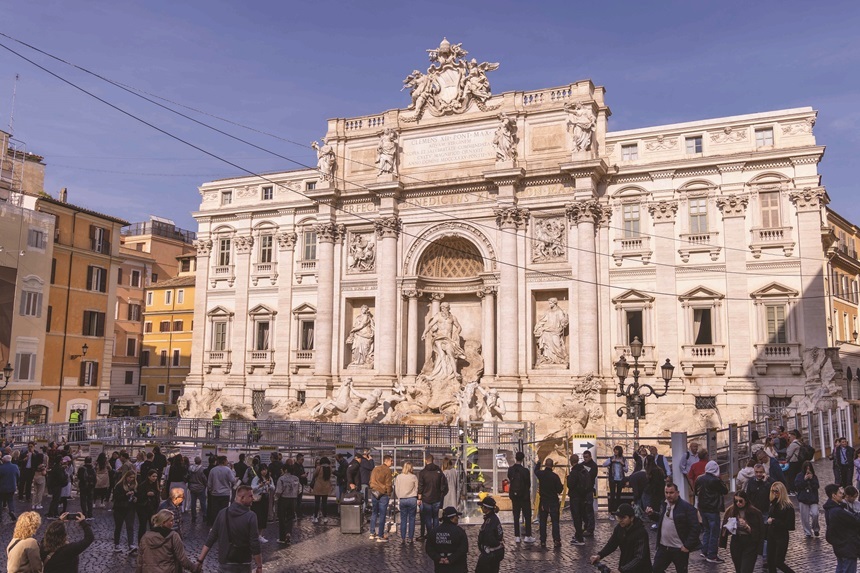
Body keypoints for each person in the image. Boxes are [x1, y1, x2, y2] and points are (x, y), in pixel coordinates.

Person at [198, 485, 263, 573]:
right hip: (243, 562)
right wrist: (259, 565)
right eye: (250, 496)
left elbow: (212, 537)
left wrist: (200, 560)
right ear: (242, 498)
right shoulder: (251, 516)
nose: (253, 498)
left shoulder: (222, 513)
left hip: (225, 561)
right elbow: (255, 542)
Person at [647, 482, 701, 573]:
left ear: (677, 493)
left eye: (671, 493)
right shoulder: (664, 504)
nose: (668, 495)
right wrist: (652, 515)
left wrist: (687, 545)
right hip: (664, 547)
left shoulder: (686, 507)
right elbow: (662, 518)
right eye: (666, 492)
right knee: (656, 569)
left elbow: (695, 527)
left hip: (679, 549)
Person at [590, 503, 652, 573]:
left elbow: (639, 558)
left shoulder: (641, 533)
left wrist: (622, 570)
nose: (620, 520)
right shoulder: (619, 528)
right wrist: (599, 555)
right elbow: (612, 544)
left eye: (623, 517)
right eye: (618, 517)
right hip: (625, 567)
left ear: (631, 518)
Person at [136, 509, 198, 573]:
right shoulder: (173, 536)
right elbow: (182, 559)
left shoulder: (145, 537)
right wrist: (194, 568)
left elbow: (140, 560)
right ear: (163, 522)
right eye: (171, 521)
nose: (173, 523)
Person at [720, 491, 764, 573]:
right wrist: (729, 528)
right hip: (736, 542)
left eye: (741, 501)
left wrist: (747, 527)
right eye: (736, 501)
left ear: (746, 500)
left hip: (750, 543)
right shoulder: (731, 510)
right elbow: (724, 528)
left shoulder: (755, 512)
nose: (738, 503)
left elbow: (760, 531)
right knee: (738, 569)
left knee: (746, 569)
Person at [694, 459, 728, 564]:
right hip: (713, 509)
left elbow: (695, 491)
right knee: (714, 532)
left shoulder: (699, 478)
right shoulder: (715, 480)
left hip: (702, 508)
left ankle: (705, 550)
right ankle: (712, 555)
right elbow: (725, 490)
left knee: (707, 530)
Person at [823, 483, 860, 573]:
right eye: (840, 493)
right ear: (834, 495)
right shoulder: (837, 511)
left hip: (840, 545)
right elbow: (855, 521)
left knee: (840, 568)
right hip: (847, 546)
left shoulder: (831, 509)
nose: (842, 495)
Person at [746, 463, 775, 566]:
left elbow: (774, 493)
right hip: (753, 513)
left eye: (760, 472)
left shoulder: (769, 482)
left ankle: (765, 557)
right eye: (757, 472)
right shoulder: (751, 482)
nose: (758, 474)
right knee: (753, 534)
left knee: (765, 535)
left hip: (765, 512)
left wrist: (765, 482)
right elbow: (747, 497)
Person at [426, 506, 468, 573]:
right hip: (457, 566)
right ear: (452, 518)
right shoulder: (459, 531)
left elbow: (429, 548)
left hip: (440, 566)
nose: (458, 518)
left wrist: (438, 558)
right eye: (457, 516)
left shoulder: (434, 531)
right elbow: (463, 548)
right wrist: (451, 559)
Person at [766, 482, 796, 573]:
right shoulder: (773, 503)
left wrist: (774, 521)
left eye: (777, 491)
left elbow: (790, 525)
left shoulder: (788, 506)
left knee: (778, 562)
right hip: (771, 534)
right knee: (770, 561)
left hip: (781, 536)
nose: (774, 493)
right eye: (773, 491)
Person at [417, 453, 448, 540]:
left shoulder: (423, 472)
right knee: (435, 517)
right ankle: (436, 533)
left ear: (425, 460)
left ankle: (430, 534)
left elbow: (420, 486)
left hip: (426, 498)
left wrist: (419, 497)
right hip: (437, 497)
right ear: (433, 460)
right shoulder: (439, 471)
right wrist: (441, 494)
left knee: (427, 517)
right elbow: (443, 485)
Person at [507, 451, 533, 544]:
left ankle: (517, 536)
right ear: (523, 459)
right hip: (524, 496)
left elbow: (510, 478)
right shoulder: (525, 471)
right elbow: (528, 483)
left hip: (515, 496)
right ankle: (528, 535)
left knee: (516, 516)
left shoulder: (510, 469)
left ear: (515, 458)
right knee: (527, 516)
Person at [475, 496, 504, 573]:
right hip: (495, 553)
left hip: (490, 554)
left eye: (482, 506)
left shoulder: (490, 521)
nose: (481, 508)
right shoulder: (494, 519)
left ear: (486, 508)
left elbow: (488, 537)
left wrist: (484, 547)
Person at [369, 454, 394, 542]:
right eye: (391, 461)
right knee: (382, 514)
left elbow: (371, 481)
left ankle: (372, 533)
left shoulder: (375, 469)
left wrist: (373, 488)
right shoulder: (387, 470)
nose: (392, 462)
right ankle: (380, 535)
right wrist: (389, 493)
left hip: (374, 493)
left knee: (374, 513)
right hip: (383, 494)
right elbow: (388, 484)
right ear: (386, 461)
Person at [113, 470, 138, 553]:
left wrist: (135, 498)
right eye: (130, 477)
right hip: (119, 508)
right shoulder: (119, 485)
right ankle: (116, 544)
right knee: (118, 527)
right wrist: (125, 495)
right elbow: (116, 497)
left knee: (130, 526)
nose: (131, 479)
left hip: (130, 508)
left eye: (133, 478)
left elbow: (137, 495)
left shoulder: (134, 486)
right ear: (126, 477)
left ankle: (131, 544)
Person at [274, 463, 300, 545]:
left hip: (283, 499)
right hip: (293, 499)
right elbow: (299, 489)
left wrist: (276, 498)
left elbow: (278, 491)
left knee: (282, 518)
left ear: (285, 470)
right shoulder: (296, 478)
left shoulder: (281, 478)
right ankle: (288, 533)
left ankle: (282, 537)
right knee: (290, 517)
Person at [567, 453, 590, 546]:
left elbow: (570, 485)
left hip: (575, 497)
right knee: (582, 516)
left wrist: (568, 479)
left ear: (571, 462)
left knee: (576, 518)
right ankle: (579, 534)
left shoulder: (574, 472)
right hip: (583, 496)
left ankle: (579, 538)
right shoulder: (584, 470)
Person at [394, 461, 418, 543]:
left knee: (403, 519)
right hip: (412, 499)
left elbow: (396, 489)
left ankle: (403, 538)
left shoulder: (399, 477)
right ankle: (411, 538)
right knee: (412, 519)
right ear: (411, 468)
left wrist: (399, 497)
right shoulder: (414, 477)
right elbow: (417, 488)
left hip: (403, 499)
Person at [207, 456, 236, 525]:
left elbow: (209, 484)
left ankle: (214, 525)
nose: (227, 462)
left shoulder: (213, 470)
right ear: (224, 461)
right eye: (226, 460)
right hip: (225, 494)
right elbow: (233, 480)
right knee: (224, 510)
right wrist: (233, 470)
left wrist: (211, 490)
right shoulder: (228, 470)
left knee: (215, 511)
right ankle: (222, 525)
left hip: (215, 494)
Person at [794, 460, 820, 538]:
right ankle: (807, 532)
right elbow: (797, 486)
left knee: (815, 514)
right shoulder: (799, 476)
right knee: (804, 517)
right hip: (803, 498)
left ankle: (816, 528)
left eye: (809, 468)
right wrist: (804, 480)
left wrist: (812, 479)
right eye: (806, 468)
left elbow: (817, 486)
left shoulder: (814, 476)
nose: (808, 470)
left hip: (813, 498)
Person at [136, 469, 161, 543]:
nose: (155, 478)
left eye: (156, 476)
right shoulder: (143, 485)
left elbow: (157, 496)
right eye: (153, 476)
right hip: (143, 508)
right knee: (142, 526)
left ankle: (152, 541)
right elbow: (139, 497)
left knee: (153, 526)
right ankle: (141, 542)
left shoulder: (156, 485)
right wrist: (146, 495)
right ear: (149, 476)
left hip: (152, 508)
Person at [250, 464, 273, 542]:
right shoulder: (256, 478)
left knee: (263, 516)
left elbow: (273, 487)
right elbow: (252, 488)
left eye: (266, 469)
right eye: (263, 470)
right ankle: (254, 534)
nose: (264, 471)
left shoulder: (269, 478)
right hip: (257, 499)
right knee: (257, 516)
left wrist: (269, 484)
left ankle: (260, 535)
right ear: (260, 471)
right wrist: (259, 486)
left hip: (265, 498)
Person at [604, 445, 628, 516]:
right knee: (612, 494)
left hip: (620, 479)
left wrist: (622, 464)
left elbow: (626, 470)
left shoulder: (623, 459)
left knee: (618, 495)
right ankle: (611, 510)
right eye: (614, 450)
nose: (615, 451)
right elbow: (604, 464)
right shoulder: (611, 458)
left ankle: (618, 509)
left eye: (617, 450)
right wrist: (611, 461)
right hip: (613, 479)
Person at [581, 450, 598, 536]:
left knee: (589, 510)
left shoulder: (594, 466)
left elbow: (592, 476)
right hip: (582, 491)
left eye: (586, 457)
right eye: (584, 457)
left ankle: (590, 529)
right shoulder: (581, 465)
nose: (585, 459)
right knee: (583, 510)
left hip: (589, 490)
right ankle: (586, 525)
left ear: (590, 456)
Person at [310, 457, 332, 525]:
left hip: (318, 487)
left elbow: (314, 475)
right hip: (326, 487)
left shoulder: (319, 468)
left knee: (317, 502)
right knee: (324, 503)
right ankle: (325, 517)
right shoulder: (330, 468)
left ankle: (315, 517)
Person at [188, 456, 208, 524]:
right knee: (203, 503)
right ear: (200, 461)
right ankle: (205, 516)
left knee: (193, 503)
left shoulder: (190, 469)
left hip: (192, 488)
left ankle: (194, 516)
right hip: (200, 488)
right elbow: (204, 478)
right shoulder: (202, 469)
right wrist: (206, 484)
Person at [0, 453, 20, 522]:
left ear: (4, 460)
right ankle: (11, 511)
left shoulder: (1, 468)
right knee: (10, 500)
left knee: (1, 501)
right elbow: (18, 476)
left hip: (2, 487)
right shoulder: (15, 466)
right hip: (12, 486)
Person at [289, 453, 308, 517]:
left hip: (301, 483)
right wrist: (302, 476)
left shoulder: (301, 466)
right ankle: (295, 513)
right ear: (298, 459)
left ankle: (298, 513)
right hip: (296, 485)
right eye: (302, 459)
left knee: (299, 499)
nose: (303, 461)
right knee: (296, 500)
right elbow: (295, 476)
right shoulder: (295, 466)